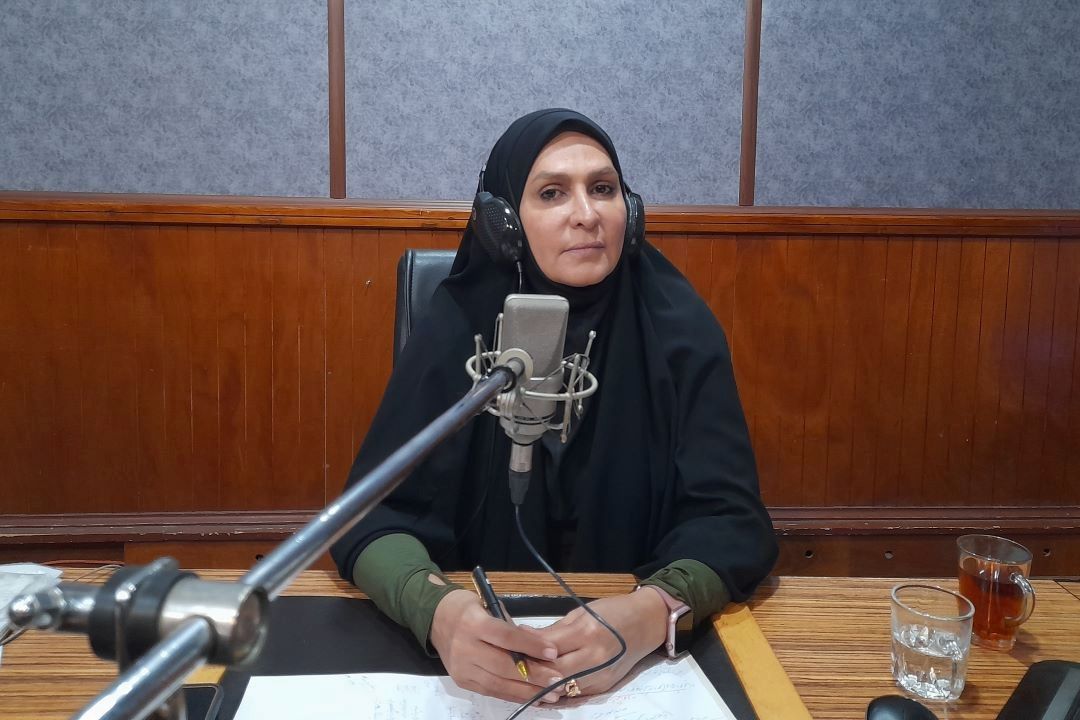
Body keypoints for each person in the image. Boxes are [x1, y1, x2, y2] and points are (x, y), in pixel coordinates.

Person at [330, 108, 777, 705]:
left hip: (642, 674)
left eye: (603, 188)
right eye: (552, 193)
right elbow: (367, 520)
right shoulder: (456, 328)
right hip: (482, 667)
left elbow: (734, 523)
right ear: (504, 224)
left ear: (631, 212)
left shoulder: (680, 330)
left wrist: (654, 611)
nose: (587, 214)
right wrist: (438, 612)